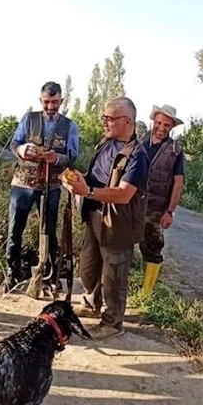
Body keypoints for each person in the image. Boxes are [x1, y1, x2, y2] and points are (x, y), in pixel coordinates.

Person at [63, 97, 148, 340]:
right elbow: (96, 176)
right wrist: (79, 179)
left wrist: (87, 191)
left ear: (128, 121)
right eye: (105, 118)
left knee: (114, 274)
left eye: (109, 118)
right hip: (94, 214)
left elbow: (123, 195)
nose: (104, 123)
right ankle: (91, 303)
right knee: (89, 266)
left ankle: (113, 322)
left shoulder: (137, 156)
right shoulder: (106, 144)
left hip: (118, 222)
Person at [5, 81, 79, 291]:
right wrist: (22, 150)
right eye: (46, 102)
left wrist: (57, 157)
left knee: (49, 232)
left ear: (61, 101)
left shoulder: (70, 125)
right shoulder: (28, 119)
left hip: (52, 185)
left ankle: (50, 274)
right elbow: (15, 143)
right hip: (22, 184)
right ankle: (12, 274)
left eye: (54, 102)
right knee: (14, 230)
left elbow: (73, 155)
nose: (50, 107)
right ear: (40, 101)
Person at [139, 104, 185, 297]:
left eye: (166, 124)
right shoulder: (139, 142)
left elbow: (178, 183)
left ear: (171, 127)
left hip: (157, 208)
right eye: (158, 122)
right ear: (153, 121)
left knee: (153, 248)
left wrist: (170, 211)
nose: (160, 127)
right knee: (123, 244)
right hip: (132, 203)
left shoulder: (176, 150)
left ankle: (146, 293)